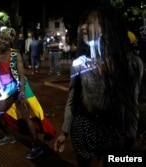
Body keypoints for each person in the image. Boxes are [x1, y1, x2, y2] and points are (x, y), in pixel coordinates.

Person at [54, 4, 144, 167]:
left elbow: (132, 103)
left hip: (111, 128)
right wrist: (64, 132)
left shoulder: (131, 64)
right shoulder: (79, 64)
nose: (83, 27)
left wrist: (130, 136)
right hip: (83, 127)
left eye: (90, 22)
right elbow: (72, 99)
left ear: (106, 27)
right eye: (83, 22)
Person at [0, 28, 56, 160]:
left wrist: (22, 94)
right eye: (1, 38)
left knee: (27, 117)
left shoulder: (15, 55)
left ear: (10, 42)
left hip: (20, 87)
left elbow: (21, 75)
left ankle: (36, 146)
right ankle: (10, 136)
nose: (3, 41)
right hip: (6, 90)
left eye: (6, 39)